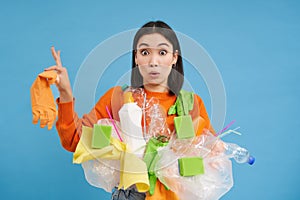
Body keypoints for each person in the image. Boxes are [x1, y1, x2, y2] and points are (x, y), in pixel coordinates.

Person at [45, 21, 215, 200]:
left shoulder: (191, 104)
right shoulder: (119, 98)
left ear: (174, 58)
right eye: (145, 52)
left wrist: (213, 153)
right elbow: (74, 141)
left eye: (162, 52)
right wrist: (65, 94)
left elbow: (210, 154)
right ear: (136, 57)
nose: (153, 62)